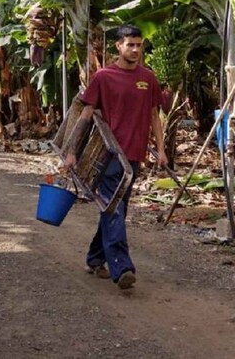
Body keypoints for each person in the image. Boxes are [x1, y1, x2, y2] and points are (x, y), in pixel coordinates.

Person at [63, 25, 168, 290]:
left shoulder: (148, 78)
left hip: (134, 157)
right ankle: (122, 267)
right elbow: (86, 114)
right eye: (130, 44)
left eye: (139, 45)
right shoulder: (104, 76)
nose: (135, 49)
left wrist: (162, 151)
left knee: (115, 209)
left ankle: (96, 257)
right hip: (108, 155)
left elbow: (154, 115)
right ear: (118, 47)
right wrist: (72, 151)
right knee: (114, 208)